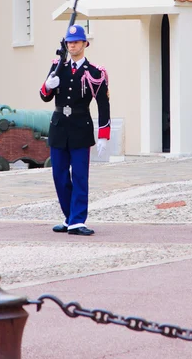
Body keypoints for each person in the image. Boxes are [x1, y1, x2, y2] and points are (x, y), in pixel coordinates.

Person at [40, 24, 110, 236]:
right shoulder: (57, 66)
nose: (72, 45)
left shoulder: (95, 72)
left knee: (80, 176)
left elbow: (103, 104)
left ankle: (78, 220)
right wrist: (49, 85)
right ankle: (69, 217)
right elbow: (44, 96)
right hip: (59, 127)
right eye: (69, 42)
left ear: (85, 44)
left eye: (77, 42)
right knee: (59, 176)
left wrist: (103, 135)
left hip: (80, 127)